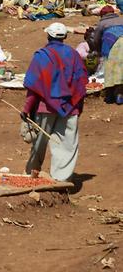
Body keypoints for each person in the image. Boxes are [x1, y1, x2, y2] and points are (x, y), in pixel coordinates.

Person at [22, 23, 88, 181]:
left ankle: (31, 174)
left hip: (45, 107)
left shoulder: (41, 56)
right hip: (70, 107)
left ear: (48, 36)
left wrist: (26, 109)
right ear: (65, 37)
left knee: (39, 142)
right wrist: (79, 107)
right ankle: (60, 179)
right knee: (66, 145)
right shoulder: (74, 55)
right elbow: (81, 83)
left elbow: (34, 86)